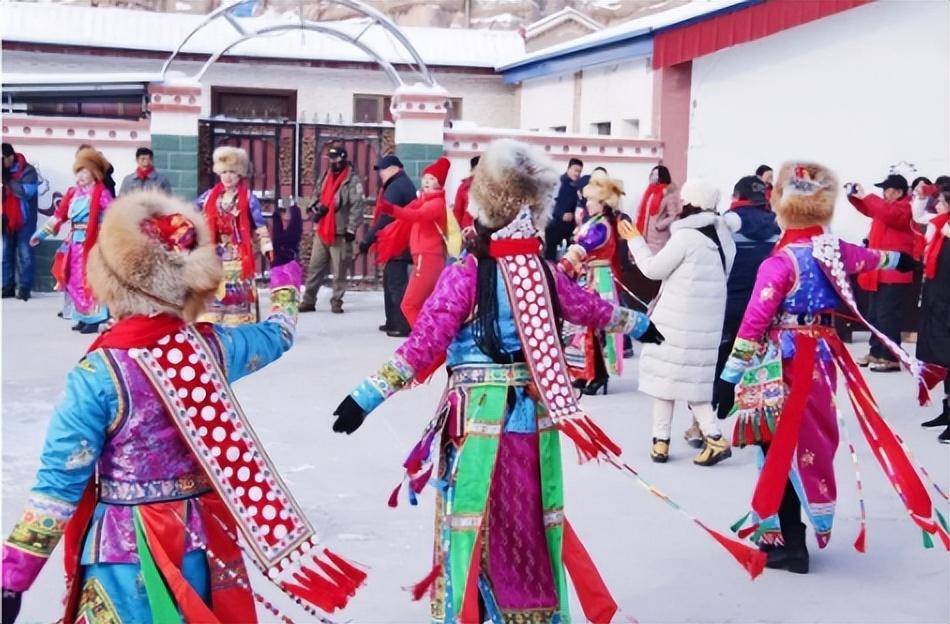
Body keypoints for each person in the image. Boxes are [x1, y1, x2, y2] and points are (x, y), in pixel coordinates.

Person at [329, 139, 663, 623]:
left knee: (473, 515)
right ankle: (525, 609)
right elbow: (586, 306)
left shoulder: (468, 273)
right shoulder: (541, 272)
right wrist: (637, 324)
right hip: (532, 412)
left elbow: (423, 345)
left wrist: (364, 397)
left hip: (477, 418)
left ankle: (475, 608)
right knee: (525, 514)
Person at [721, 161, 944, 574]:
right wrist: (903, 261)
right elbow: (874, 258)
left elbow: (754, 320)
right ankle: (792, 534)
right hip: (822, 360)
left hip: (783, 364)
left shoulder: (781, 262)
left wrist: (728, 377)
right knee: (807, 445)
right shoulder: (832, 249)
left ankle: (789, 543)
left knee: (778, 447)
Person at [620, 180, 736, 466]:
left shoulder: (686, 238)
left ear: (691, 202)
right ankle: (712, 436)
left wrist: (635, 239)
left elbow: (652, 270)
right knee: (692, 383)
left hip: (675, 321)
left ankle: (662, 442)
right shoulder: (723, 239)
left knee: (665, 382)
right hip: (706, 323)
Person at [713, 176, 781, 421]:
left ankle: (710, 419)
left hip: (731, 300)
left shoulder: (727, 221)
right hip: (765, 305)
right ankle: (759, 419)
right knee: (760, 360)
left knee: (722, 356)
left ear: (737, 196)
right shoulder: (777, 223)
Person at [31, 148, 113, 333]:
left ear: (95, 173)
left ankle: (95, 318)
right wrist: (40, 235)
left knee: (91, 281)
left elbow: (114, 214)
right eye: (79, 171)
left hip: (93, 245)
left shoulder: (101, 193)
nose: (81, 176)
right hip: (74, 243)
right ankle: (81, 316)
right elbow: (59, 216)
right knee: (73, 281)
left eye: (85, 171)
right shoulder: (73, 193)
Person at [560, 175, 626, 395]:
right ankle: (584, 373)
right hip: (588, 276)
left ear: (603, 203)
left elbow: (583, 248)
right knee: (582, 327)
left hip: (598, 279)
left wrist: (562, 268)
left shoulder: (601, 226)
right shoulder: (594, 222)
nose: (587, 203)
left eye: (591, 200)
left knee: (594, 328)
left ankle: (598, 375)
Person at [196, 146, 273, 325]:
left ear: (239, 174)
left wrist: (267, 248)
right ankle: (211, 328)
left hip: (239, 257)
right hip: (214, 255)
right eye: (224, 172)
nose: (228, 176)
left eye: (232, 172)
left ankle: (239, 330)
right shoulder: (208, 197)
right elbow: (190, 216)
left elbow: (260, 225)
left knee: (237, 305)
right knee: (211, 303)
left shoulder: (248, 198)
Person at [847, 173, 916, 372]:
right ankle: (877, 352)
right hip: (880, 271)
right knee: (875, 316)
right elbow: (871, 209)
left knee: (888, 317)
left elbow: (885, 212)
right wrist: (855, 197)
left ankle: (891, 357)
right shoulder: (887, 208)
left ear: (899, 192)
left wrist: (867, 196)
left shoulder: (904, 208)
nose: (884, 194)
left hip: (895, 273)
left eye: (887, 190)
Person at [378, 156, 453, 327]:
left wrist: (392, 209)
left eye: (432, 179)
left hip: (428, 258)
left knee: (409, 304)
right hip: (425, 257)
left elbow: (416, 216)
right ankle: (430, 339)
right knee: (425, 304)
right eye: (425, 178)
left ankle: (423, 338)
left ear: (439, 183)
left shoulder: (435, 203)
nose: (426, 181)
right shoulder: (421, 201)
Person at [301, 144, 364, 314]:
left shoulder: (352, 180)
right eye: (330, 158)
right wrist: (313, 206)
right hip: (323, 229)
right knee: (315, 267)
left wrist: (351, 228)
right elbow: (316, 194)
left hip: (340, 231)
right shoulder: (325, 176)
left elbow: (357, 206)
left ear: (343, 159)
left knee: (339, 270)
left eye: (335, 158)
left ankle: (337, 300)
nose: (332, 161)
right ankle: (308, 300)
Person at [361, 154, 417, 337]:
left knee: (396, 284)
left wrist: (368, 238)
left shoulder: (396, 187)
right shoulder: (400, 184)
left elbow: (386, 217)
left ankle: (402, 324)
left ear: (394, 168)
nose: (381, 173)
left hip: (399, 242)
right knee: (390, 280)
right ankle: (392, 320)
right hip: (400, 240)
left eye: (383, 169)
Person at [914, 182, 950, 442]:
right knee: (943, 359)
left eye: (941, 202)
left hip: (947, 304)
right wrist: (919, 194)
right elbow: (916, 215)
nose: (936, 205)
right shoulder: (938, 229)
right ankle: (947, 411)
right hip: (937, 302)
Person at [2, 143, 39, 301]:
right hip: (6, 220)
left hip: (25, 220)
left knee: (25, 255)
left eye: (2, 159)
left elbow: (26, 192)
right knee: (6, 255)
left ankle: (24, 288)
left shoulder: (28, 170)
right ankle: (7, 286)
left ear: (11, 157)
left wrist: (8, 181)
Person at [543, 157, 582, 260]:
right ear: (569, 168)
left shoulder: (578, 186)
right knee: (551, 255)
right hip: (555, 224)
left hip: (570, 227)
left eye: (579, 171)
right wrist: (561, 214)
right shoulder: (558, 182)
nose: (577, 174)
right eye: (575, 170)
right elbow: (549, 201)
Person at [635, 164, 673, 251]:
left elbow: (674, 216)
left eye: (656, 174)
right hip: (645, 239)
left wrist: (659, 225)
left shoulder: (668, 193)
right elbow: (640, 213)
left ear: (662, 176)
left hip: (660, 241)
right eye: (652, 174)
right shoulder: (649, 192)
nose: (653, 177)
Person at [452, 155, 479, 231]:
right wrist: (457, 230)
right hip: (466, 227)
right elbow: (458, 210)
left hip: (484, 230)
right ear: (472, 170)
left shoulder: (491, 187)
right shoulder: (464, 187)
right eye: (478, 169)